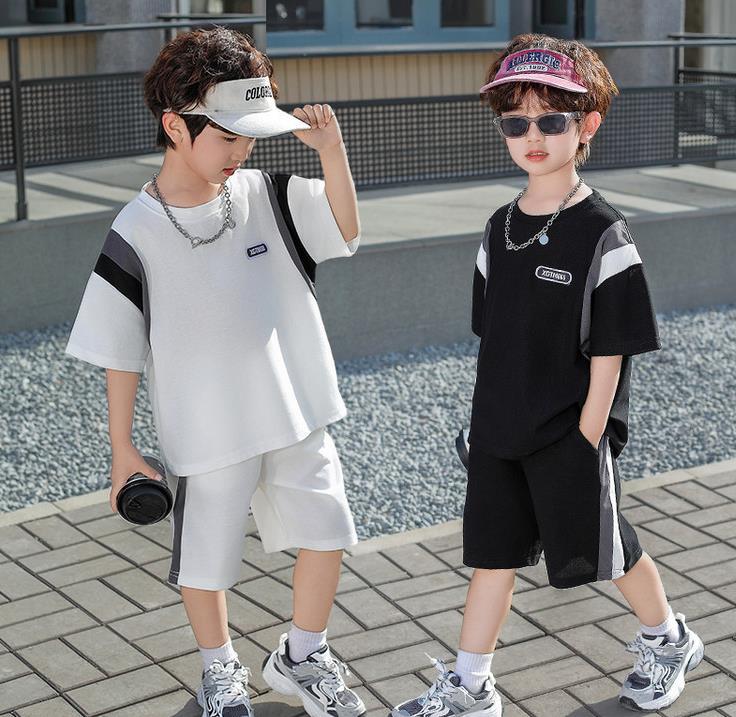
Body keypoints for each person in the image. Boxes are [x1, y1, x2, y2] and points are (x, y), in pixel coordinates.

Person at [388, 34, 704, 717]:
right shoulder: (498, 226)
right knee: (493, 555)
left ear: (587, 124)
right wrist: (485, 421)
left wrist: (587, 437)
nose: (532, 136)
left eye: (551, 120)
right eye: (516, 122)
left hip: (569, 431)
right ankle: (471, 684)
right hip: (500, 428)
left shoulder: (603, 231)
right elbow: (495, 335)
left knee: (607, 547)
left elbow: (612, 349)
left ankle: (670, 639)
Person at [66, 27, 365, 717]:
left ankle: (302, 654)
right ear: (175, 126)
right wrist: (121, 448)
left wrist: (332, 151)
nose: (242, 151)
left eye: (250, 138)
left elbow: (345, 232)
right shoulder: (136, 230)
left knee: (328, 529)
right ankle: (219, 669)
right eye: (229, 137)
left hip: (294, 409)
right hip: (208, 428)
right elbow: (118, 346)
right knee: (205, 558)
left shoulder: (268, 194)